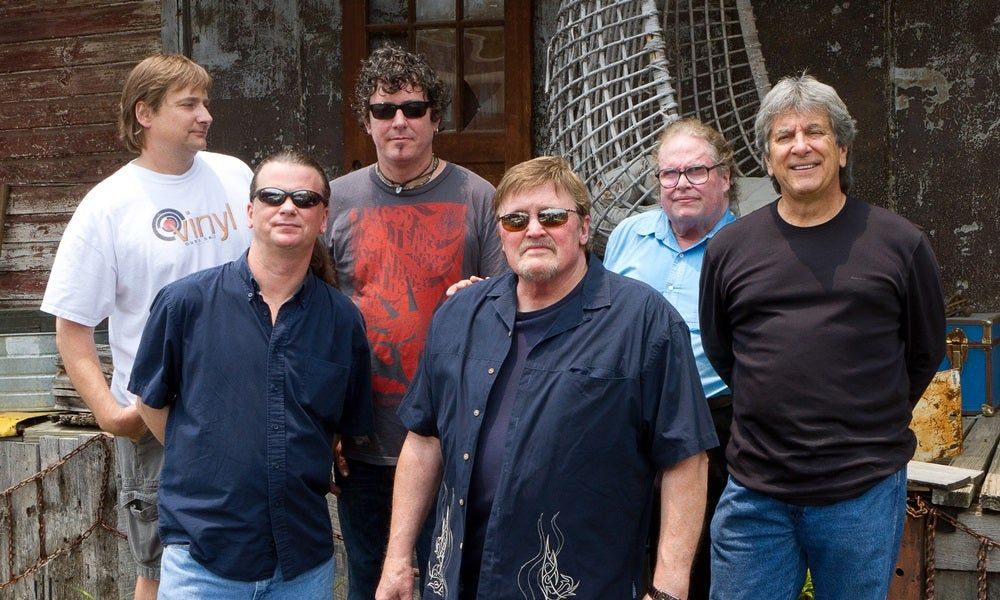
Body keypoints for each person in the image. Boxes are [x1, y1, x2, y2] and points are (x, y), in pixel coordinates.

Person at [376, 156, 717, 600]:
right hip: (457, 581)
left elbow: (686, 459)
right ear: (501, 233)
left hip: (579, 584)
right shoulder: (459, 314)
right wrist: (397, 558)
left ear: (584, 227)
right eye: (516, 220)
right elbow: (424, 442)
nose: (533, 230)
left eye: (552, 216)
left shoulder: (645, 322)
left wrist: (668, 588)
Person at [699, 74, 946, 600]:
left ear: (842, 148)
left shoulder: (900, 243)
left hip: (861, 490)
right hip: (756, 494)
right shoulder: (729, 249)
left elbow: (924, 351)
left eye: (815, 131)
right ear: (767, 159)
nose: (800, 146)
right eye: (784, 136)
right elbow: (724, 351)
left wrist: (867, 419)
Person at [39, 53, 252, 600]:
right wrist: (111, 415)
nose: (205, 115)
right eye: (189, 104)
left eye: (205, 102)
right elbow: (72, 327)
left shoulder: (236, 176)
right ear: (145, 113)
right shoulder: (108, 205)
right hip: (162, 420)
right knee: (160, 567)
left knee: (250, 555)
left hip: (249, 404)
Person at [128, 150, 373, 598]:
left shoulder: (342, 321)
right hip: (202, 562)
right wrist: (208, 451)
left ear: (323, 218)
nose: (288, 207)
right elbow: (149, 401)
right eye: (273, 195)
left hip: (302, 568)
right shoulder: (185, 304)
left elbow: (341, 424)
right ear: (249, 211)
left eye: (304, 198)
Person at [326, 44, 505, 598]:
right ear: (367, 121)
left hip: (452, 438)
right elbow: (317, 321)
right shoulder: (335, 200)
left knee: (448, 582)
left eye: (413, 108)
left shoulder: (479, 197)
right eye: (384, 110)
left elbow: (508, 309)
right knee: (369, 580)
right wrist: (325, 423)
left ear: (436, 117)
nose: (398, 121)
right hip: (364, 440)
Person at [603, 118, 737, 600]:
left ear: (725, 176)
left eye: (696, 171)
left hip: (713, 425)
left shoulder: (747, 246)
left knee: (693, 561)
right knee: (618, 550)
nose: (681, 184)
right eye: (669, 173)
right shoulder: (628, 233)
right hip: (624, 419)